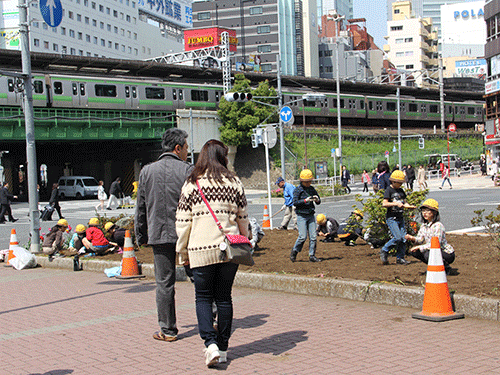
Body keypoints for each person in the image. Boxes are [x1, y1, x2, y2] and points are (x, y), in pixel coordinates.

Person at [176, 139, 248, 367]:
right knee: (224, 298)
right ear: (223, 156)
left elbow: (182, 222)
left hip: (199, 250)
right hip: (229, 250)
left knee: (203, 298)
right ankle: (224, 348)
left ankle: (211, 344)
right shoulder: (234, 181)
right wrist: (244, 240)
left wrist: (181, 251)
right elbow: (242, 217)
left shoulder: (192, 183)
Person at [135, 128, 193, 343]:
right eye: (186, 147)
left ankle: (168, 330)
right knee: (198, 277)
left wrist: (140, 233)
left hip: (158, 234)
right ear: (178, 148)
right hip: (186, 234)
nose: (187, 151)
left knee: (164, 283)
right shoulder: (189, 170)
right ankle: (213, 316)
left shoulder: (147, 172)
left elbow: (140, 207)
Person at [405, 199, 455, 274]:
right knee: (415, 252)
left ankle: (445, 267)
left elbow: (437, 243)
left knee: (427, 254)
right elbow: (420, 239)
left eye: (427, 210)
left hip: (446, 252)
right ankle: (434, 267)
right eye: (423, 211)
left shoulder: (438, 226)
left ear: (434, 212)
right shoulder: (424, 226)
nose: (424, 213)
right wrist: (412, 238)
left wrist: (420, 247)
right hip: (432, 249)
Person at [379, 170, 416, 265]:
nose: (400, 185)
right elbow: (384, 203)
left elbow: (404, 202)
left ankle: (400, 258)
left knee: (403, 238)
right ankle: (384, 249)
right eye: (399, 183)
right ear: (393, 181)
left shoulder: (401, 191)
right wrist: (395, 203)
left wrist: (409, 206)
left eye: (401, 183)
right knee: (398, 237)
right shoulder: (389, 190)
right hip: (392, 218)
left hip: (400, 217)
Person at [290, 169, 322, 262]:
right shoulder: (298, 190)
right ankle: (295, 251)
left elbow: (319, 201)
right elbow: (295, 202)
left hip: (310, 214)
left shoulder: (311, 189)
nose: (308, 183)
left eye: (310, 181)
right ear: (302, 181)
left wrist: (316, 199)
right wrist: (305, 200)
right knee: (302, 236)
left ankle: (312, 255)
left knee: (313, 237)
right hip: (301, 215)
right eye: (306, 182)